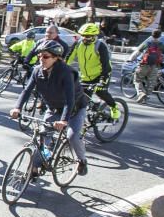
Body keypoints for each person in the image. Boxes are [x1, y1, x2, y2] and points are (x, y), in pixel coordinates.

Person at [10, 39, 89, 176]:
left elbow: (70, 100)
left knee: (73, 136)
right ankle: (33, 169)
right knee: (41, 136)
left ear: (56, 58)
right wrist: (17, 108)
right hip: (53, 108)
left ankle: (82, 161)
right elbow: (26, 91)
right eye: (40, 56)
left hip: (74, 109)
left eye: (46, 56)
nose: (41, 59)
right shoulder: (37, 71)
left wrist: (64, 120)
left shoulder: (66, 73)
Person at [67, 23, 121, 121]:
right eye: (82, 35)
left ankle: (114, 107)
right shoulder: (78, 44)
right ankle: (88, 115)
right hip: (85, 77)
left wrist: (102, 80)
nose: (84, 38)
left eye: (87, 36)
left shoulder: (100, 46)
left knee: (101, 92)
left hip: (100, 75)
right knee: (80, 98)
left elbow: (106, 65)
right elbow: (68, 59)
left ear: (94, 36)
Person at [133, 30, 164, 103]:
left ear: (152, 35)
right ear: (160, 36)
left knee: (137, 79)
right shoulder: (162, 45)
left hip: (144, 65)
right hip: (155, 66)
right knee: (151, 82)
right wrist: (159, 61)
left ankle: (141, 93)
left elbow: (137, 53)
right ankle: (146, 98)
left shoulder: (147, 43)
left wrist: (130, 59)